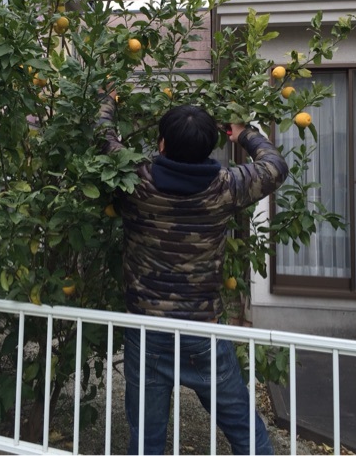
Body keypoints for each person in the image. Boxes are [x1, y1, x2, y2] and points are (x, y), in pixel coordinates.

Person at [98, 95, 289, 455]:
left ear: (162, 144)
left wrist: (108, 101)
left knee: (146, 440)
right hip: (201, 328)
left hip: (146, 328)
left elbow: (104, 138)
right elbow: (275, 165)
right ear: (209, 151)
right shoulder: (226, 186)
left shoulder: (134, 180)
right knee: (247, 433)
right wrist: (244, 135)